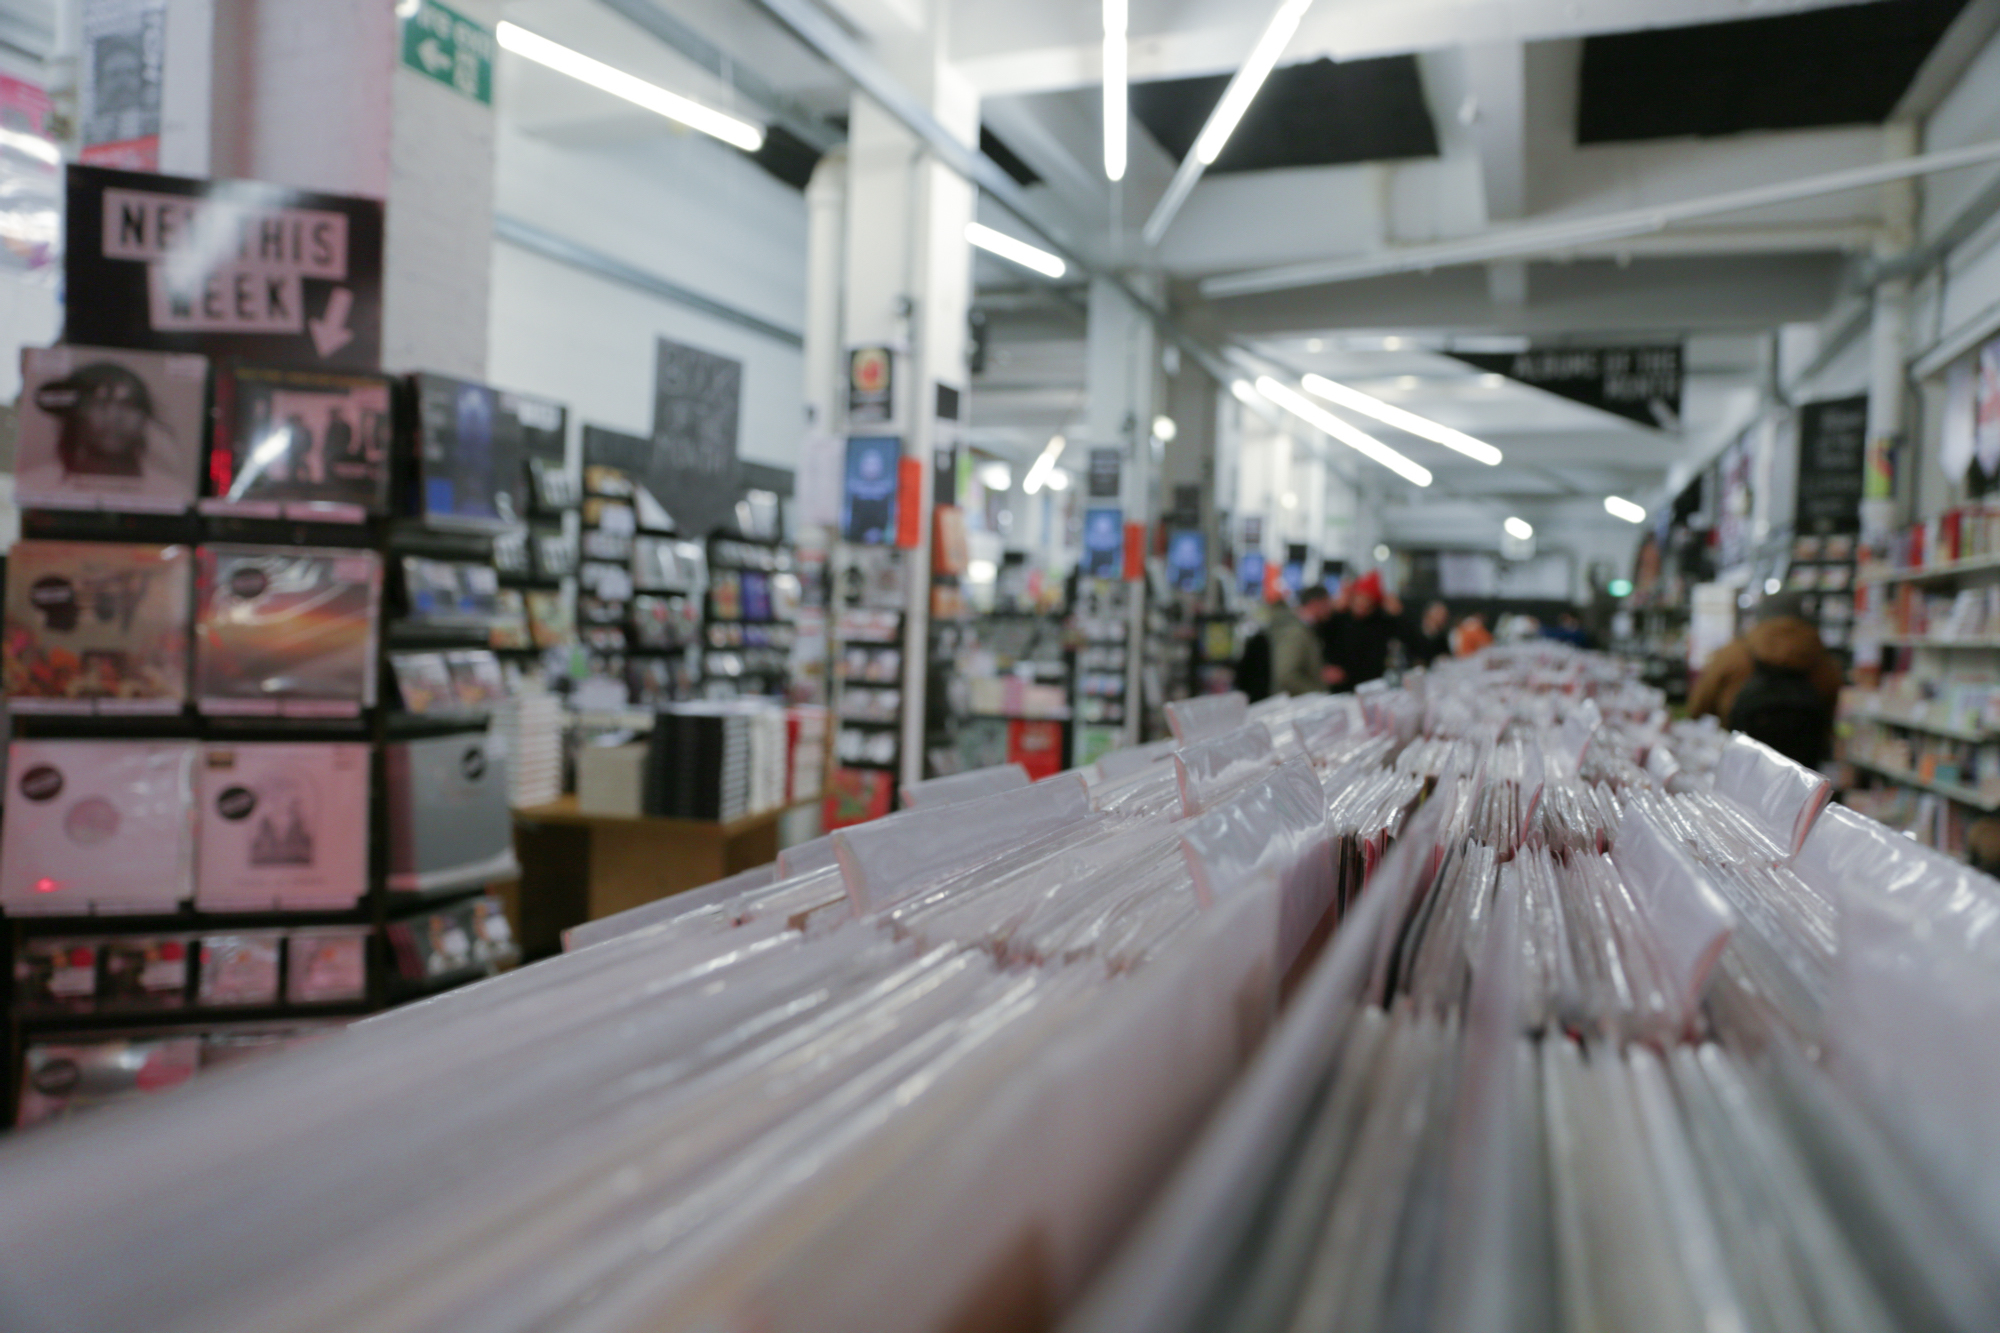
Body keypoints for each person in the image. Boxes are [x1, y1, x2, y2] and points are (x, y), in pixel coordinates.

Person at [1689, 591, 1842, 768]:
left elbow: (1698, 707)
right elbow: (1830, 719)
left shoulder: (1735, 654)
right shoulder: (1822, 662)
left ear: (1761, 615)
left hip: (1740, 765)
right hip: (1803, 773)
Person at [1318, 570, 1403, 692]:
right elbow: (1318, 635)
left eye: (1366, 600)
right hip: (1340, 686)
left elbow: (1409, 638)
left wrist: (1399, 614)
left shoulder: (1382, 622)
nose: (1361, 604)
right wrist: (1332, 609)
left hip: (1371, 686)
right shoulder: (1339, 619)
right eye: (1359, 598)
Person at [1270, 585, 1332, 697]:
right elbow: (1286, 676)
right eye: (1326, 604)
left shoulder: (1304, 629)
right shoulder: (1296, 632)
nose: (1329, 609)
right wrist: (1317, 693)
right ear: (1315, 603)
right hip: (1297, 705)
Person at [1411, 600, 1452, 665]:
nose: (1442, 618)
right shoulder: (1414, 634)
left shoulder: (1442, 637)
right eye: (1438, 614)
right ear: (1428, 614)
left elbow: (1447, 655)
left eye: (1444, 615)